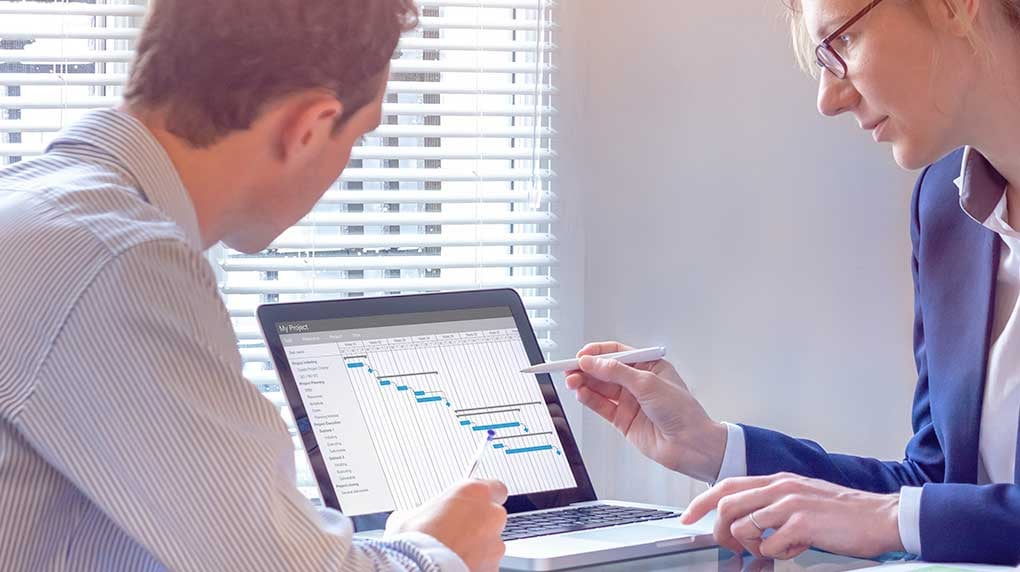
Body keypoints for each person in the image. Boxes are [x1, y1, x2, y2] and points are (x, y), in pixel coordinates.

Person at [0, 1, 508, 571]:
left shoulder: (39, 208)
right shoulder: (116, 261)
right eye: (359, 137)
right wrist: (438, 553)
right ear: (309, 128)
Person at [565, 0, 1020, 565]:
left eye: (842, 44)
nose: (828, 98)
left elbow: (910, 514)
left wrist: (892, 518)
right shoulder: (946, 208)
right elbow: (934, 488)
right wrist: (713, 446)